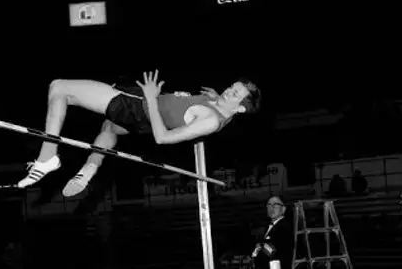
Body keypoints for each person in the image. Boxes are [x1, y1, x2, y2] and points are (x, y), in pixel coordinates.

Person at [17, 70, 261, 197]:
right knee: (108, 128)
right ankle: (86, 172)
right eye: (231, 87)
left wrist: (153, 98)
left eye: (235, 94)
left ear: (240, 108)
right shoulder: (223, 109)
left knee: (59, 88)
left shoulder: (209, 121)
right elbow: (224, 108)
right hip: (141, 115)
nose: (229, 92)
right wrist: (218, 96)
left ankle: (47, 157)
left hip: (139, 107)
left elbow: (162, 138)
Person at [252, 195, 293, 269]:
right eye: (269, 205)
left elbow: (276, 250)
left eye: (276, 204)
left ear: (283, 209)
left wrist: (261, 245)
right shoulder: (267, 227)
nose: (272, 207)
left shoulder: (285, 226)